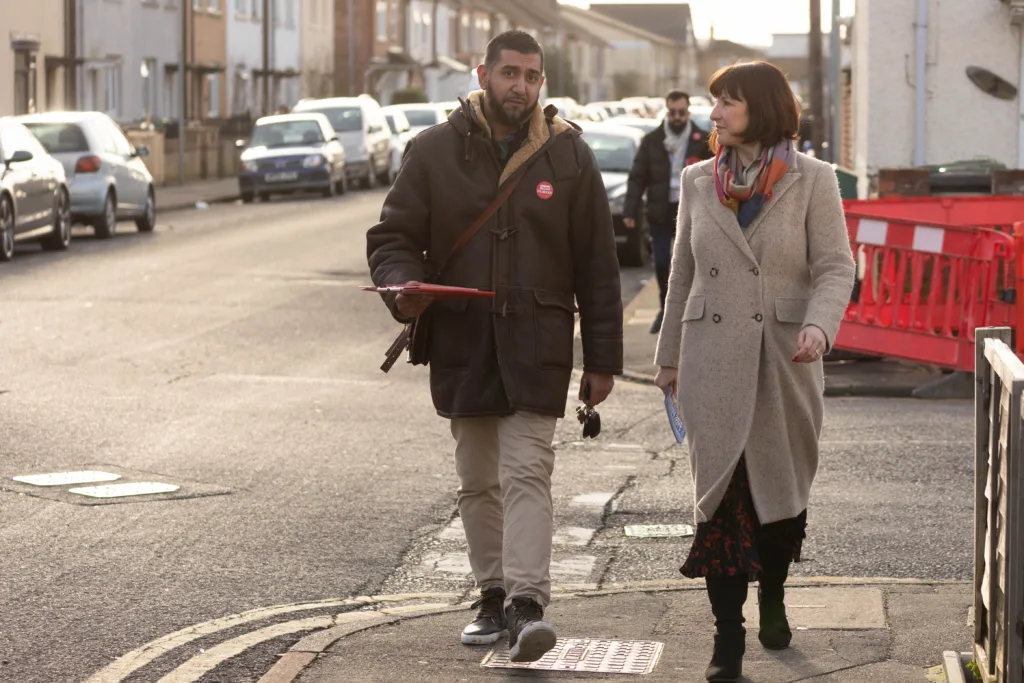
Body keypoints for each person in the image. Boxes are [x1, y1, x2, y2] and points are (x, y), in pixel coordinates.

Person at [366, 30, 623, 663]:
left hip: (537, 339)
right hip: (462, 338)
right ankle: (492, 593)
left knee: (527, 470)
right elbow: (392, 235)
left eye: (533, 76)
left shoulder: (569, 155)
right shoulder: (431, 151)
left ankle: (528, 604)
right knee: (478, 479)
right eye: (510, 73)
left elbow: (597, 264)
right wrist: (402, 290)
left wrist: (604, 360)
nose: (522, 87)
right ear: (483, 74)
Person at [652, 61, 855, 683]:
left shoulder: (814, 179)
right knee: (719, 504)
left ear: (761, 109)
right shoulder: (695, 181)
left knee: (777, 500)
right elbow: (682, 273)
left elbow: (835, 267)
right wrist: (667, 359)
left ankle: (772, 594)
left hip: (783, 361)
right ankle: (726, 640)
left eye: (727, 103)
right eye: (714, 103)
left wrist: (819, 325)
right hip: (710, 360)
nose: (714, 114)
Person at [623, 90, 713, 334]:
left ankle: (691, 313)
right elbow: (637, 177)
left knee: (693, 264)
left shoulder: (702, 140)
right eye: (672, 112)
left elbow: (716, 175)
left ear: (688, 112)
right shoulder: (652, 140)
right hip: (660, 211)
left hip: (692, 211)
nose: (677, 117)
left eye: (681, 112)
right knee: (663, 263)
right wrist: (630, 210)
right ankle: (665, 309)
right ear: (666, 111)